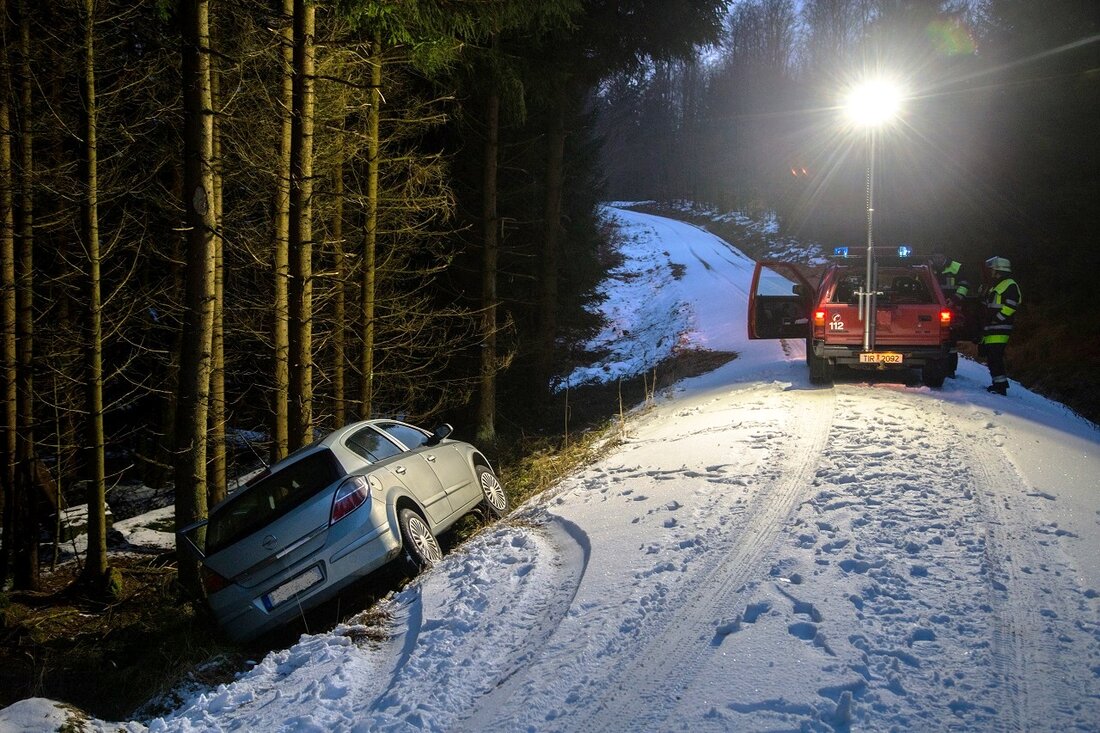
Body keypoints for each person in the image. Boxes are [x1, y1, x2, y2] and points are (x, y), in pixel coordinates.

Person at [979, 256, 1021, 395]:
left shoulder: (1010, 285)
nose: (990, 272)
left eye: (991, 270)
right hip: (993, 328)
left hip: (1000, 328)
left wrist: (998, 319)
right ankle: (998, 384)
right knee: (992, 357)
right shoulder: (996, 285)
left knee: (995, 357)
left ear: (998, 270)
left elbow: (1011, 305)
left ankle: (1001, 387)